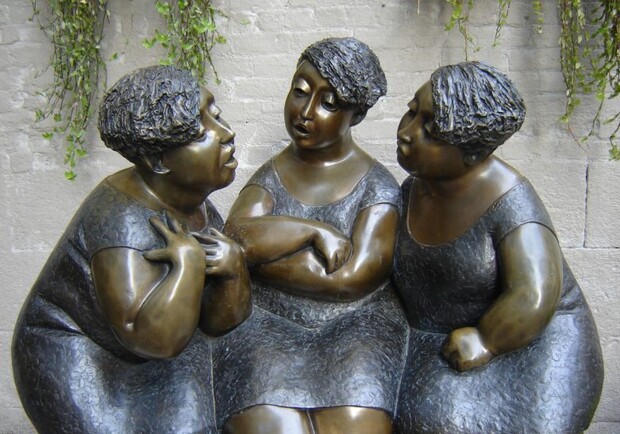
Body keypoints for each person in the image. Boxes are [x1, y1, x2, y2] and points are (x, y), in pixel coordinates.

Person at [12, 65, 251, 434]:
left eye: (216, 115)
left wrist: (233, 271)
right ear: (157, 161)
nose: (226, 133)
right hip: (80, 363)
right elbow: (152, 339)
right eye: (201, 133)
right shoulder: (119, 221)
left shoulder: (191, 201)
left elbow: (217, 323)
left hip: (152, 349)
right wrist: (189, 263)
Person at [392, 61, 604, 433]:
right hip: (441, 334)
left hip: (525, 342)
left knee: (436, 421)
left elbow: (534, 293)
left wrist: (487, 340)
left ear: (473, 151)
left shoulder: (510, 203)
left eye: (431, 130)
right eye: (411, 112)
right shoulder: (416, 188)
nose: (407, 133)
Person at [219, 37, 408, 434]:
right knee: (269, 423)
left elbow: (352, 277)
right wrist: (311, 232)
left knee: (356, 423)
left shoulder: (376, 187)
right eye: (300, 91)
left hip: (356, 324)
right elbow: (236, 235)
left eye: (329, 103)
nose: (305, 112)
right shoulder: (272, 175)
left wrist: (263, 254)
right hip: (268, 321)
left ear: (356, 115)